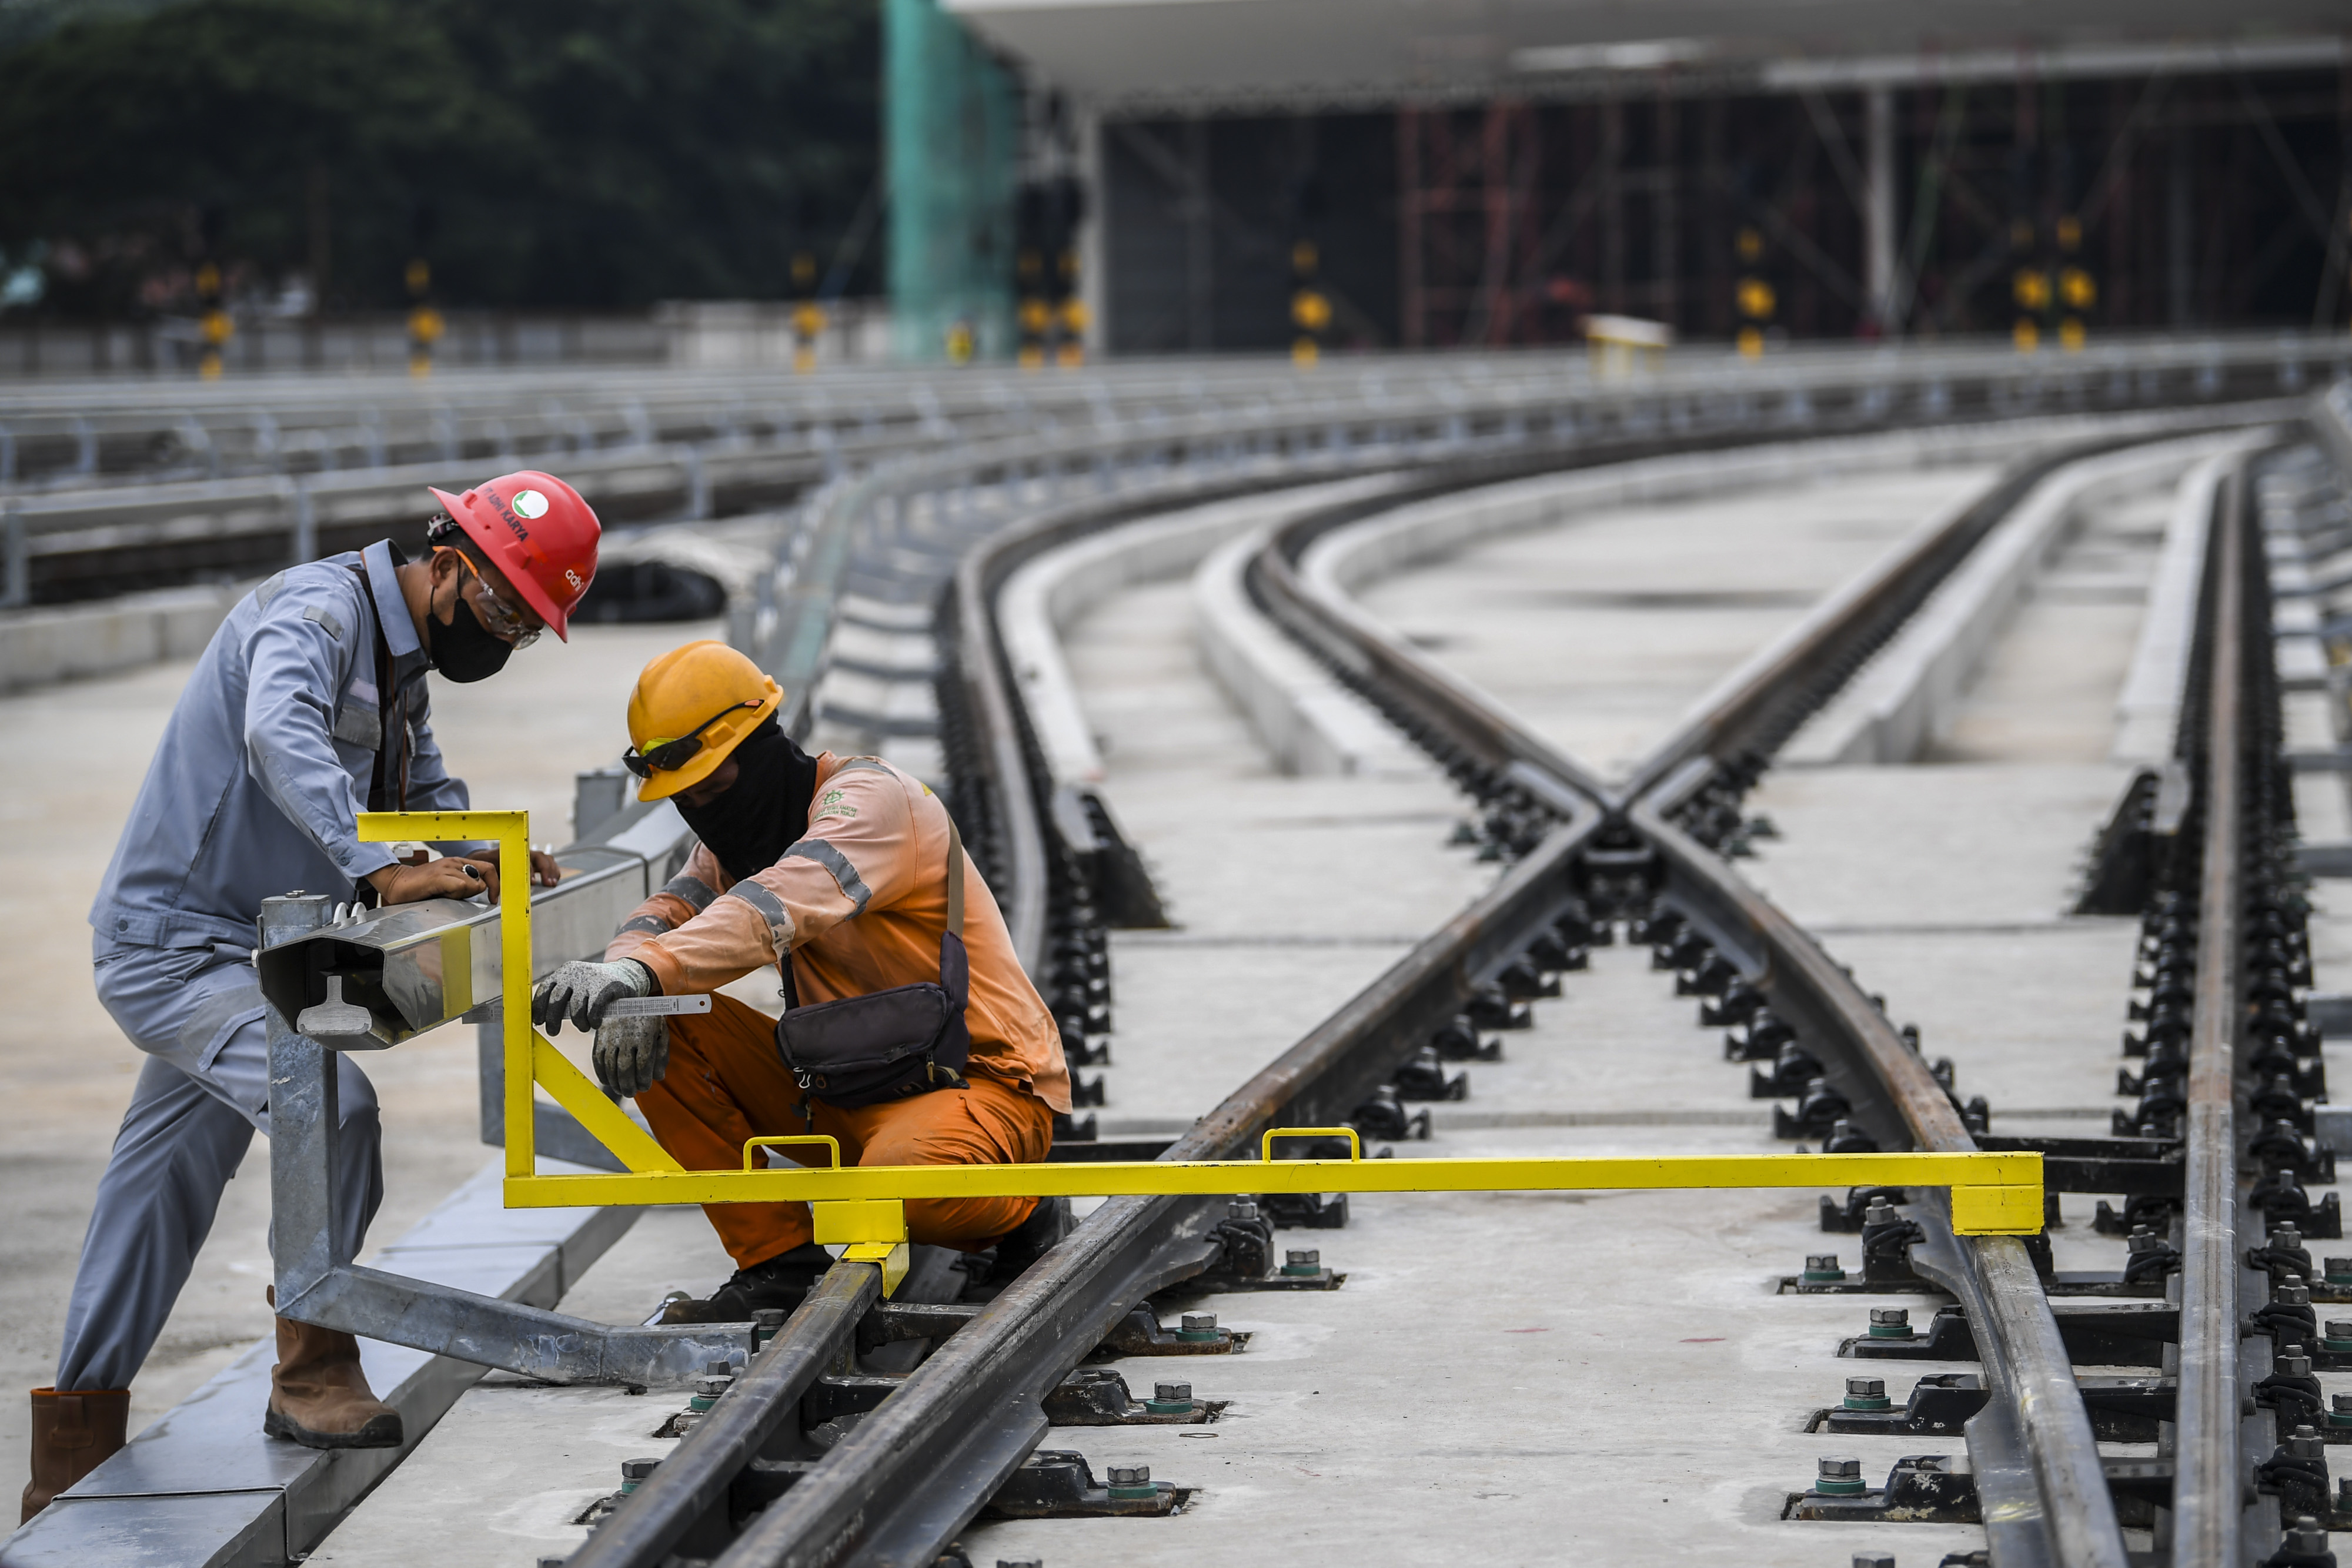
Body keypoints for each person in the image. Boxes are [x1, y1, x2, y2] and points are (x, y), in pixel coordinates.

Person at [22, 472, 601, 1525]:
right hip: (175, 950)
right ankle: (311, 1365)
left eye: (526, 627)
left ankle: (72, 1442)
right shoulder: (320, 612)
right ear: (450, 563)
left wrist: (486, 851)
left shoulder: (401, 665)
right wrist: (375, 867)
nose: (505, 635)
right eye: (503, 607)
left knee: (158, 1189)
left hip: (248, 951)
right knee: (329, 1108)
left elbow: (422, 790)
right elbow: (278, 730)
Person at [532, 641, 1070, 1321]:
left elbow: (779, 902)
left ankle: (1027, 1208)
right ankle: (776, 1261)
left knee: (898, 1190)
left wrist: (644, 969)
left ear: (759, 749)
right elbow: (665, 914)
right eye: (687, 799)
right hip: (842, 1084)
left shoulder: (870, 802)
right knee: (657, 1011)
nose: (706, 809)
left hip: (975, 1083)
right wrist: (627, 972)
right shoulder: (741, 842)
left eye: (713, 788)